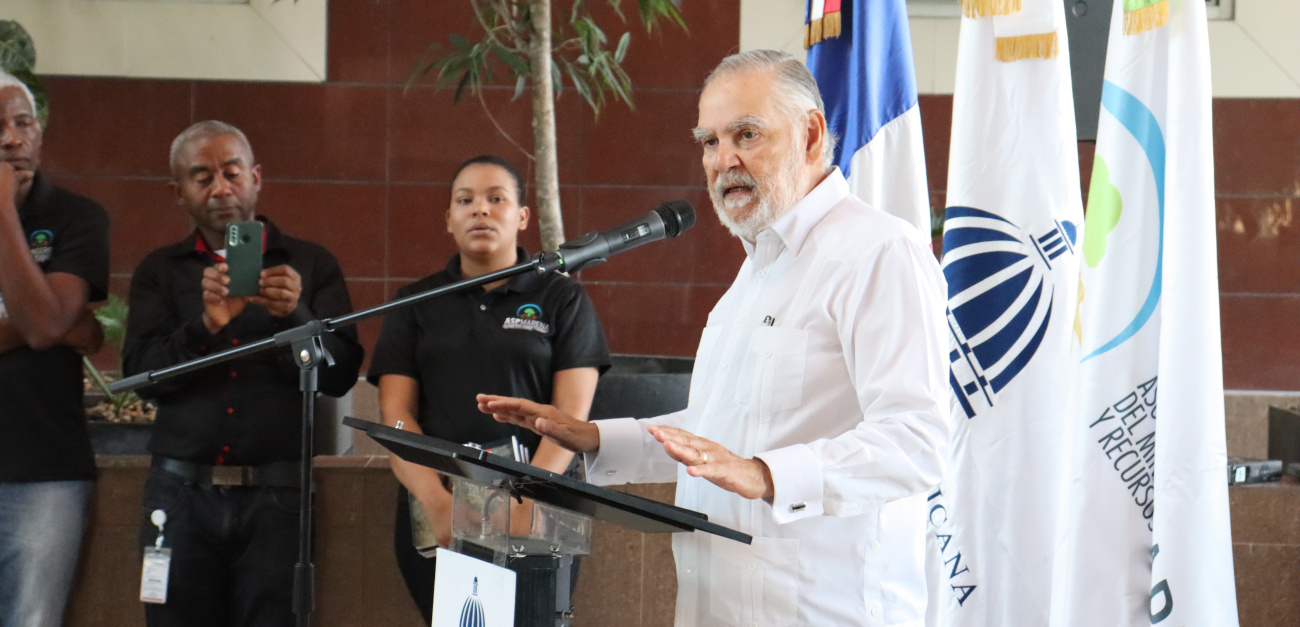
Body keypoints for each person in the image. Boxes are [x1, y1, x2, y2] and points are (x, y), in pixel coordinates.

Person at [480, 50, 951, 626]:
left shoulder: (878, 253)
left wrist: (768, 473)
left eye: (746, 135)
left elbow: (917, 440)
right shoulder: (755, 272)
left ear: (810, 133)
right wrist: (596, 438)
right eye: (708, 141)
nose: (723, 160)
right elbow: (719, 435)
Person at [122, 120, 363, 627]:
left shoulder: (310, 266)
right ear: (179, 193)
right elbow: (142, 379)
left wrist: (294, 317)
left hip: (279, 497)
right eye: (202, 177)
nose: (220, 188)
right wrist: (207, 323)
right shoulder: (159, 272)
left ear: (256, 178)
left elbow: (339, 376)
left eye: (231, 173)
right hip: (180, 496)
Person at [367, 155, 610, 622]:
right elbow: (395, 415)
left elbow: (570, 419)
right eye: (465, 200)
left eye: (496, 199)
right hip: (437, 500)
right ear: (448, 219)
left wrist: (526, 494)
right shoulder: (415, 304)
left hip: (539, 501)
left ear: (521, 216)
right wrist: (438, 503)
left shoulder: (562, 298)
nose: (480, 210)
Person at [0, 73, 109, 627]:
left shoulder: (76, 218)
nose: (11, 139)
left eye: (23, 123)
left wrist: (0, 214)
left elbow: (43, 326)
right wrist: (63, 322)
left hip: (43, 473)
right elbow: (58, 325)